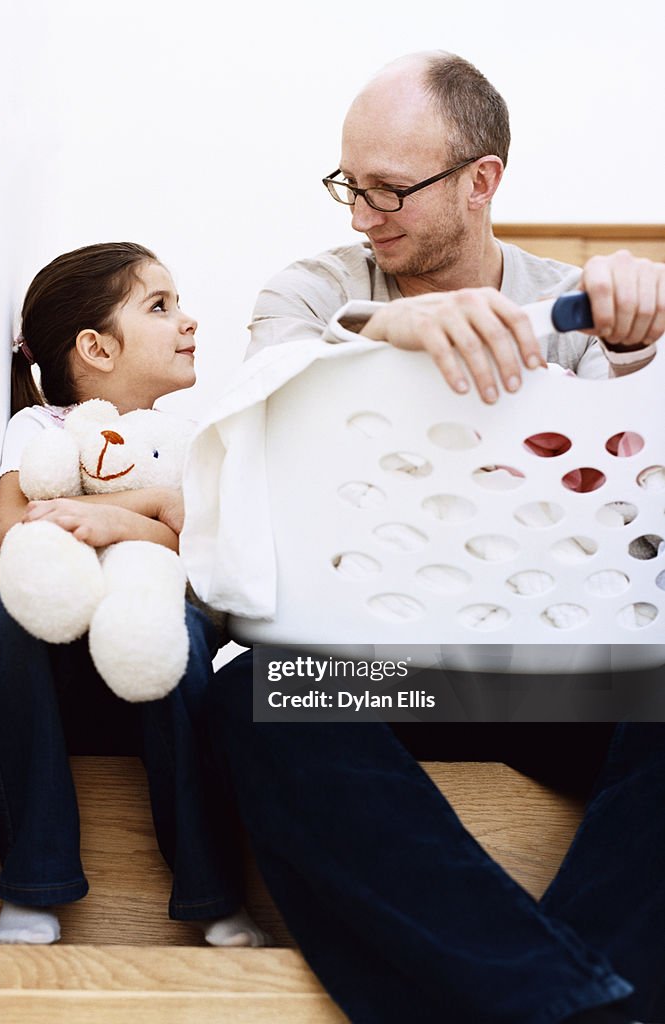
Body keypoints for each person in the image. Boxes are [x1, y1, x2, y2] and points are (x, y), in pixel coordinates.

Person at [203, 53, 665, 1024]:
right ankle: (576, 1006)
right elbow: (268, 388)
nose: (363, 215)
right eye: (349, 186)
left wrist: (640, 337)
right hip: (387, 666)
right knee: (249, 694)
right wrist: (391, 330)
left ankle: (564, 1002)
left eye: (388, 190)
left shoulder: (575, 303)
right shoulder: (313, 288)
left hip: (541, 664)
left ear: (480, 182)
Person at [0, 242, 269, 948]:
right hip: (63, 675)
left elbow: (201, 547)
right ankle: (33, 882)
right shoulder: (40, 428)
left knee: (181, 629)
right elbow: (12, 527)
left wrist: (110, 514)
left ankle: (212, 891)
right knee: (0, 621)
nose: (188, 322)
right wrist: (151, 507)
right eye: (161, 307)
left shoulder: (192, 440)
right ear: (95, 348)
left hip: (156, 670)